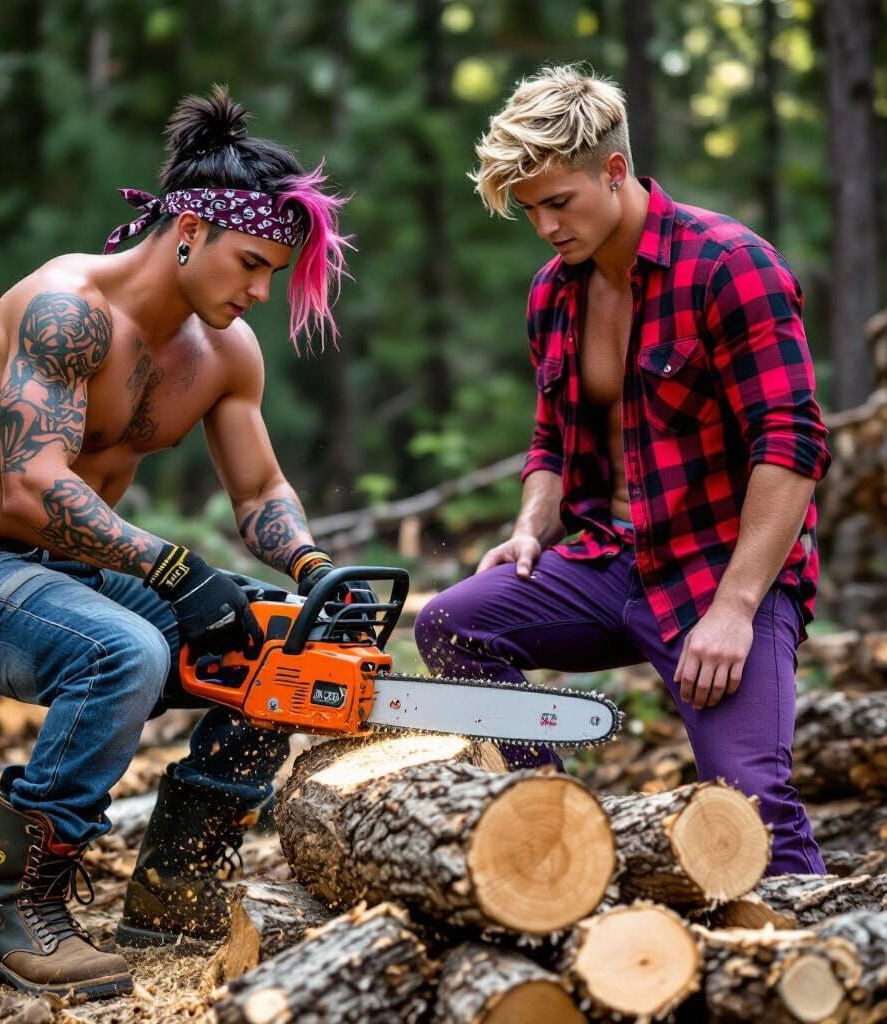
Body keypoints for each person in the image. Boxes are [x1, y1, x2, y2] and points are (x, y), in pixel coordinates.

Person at [0, 86, 357, 1000]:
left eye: (275, 273)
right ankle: (18, 914)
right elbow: (33, 485)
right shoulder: (65, 310)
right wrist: (174, 570)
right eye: (251, 264)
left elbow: (261, 489)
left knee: (273, 642)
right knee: (128, 648)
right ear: (188, 228)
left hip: (79, 575)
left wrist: (309, 567)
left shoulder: (226, 352)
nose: (261, 291)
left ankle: (174, 887)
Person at [415, 64, 831, 876]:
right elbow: (552, 442)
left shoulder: (729, 265)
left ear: (614, 171)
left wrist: (738, 606)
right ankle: (561, 861)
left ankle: (817, 963)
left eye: (557, 203)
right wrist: (531, 526)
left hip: (721, 570)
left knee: (749, 811)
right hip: (608, 560)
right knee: (452, 626)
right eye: (527, 209)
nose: (543, 227)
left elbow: (793, 445)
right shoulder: (552, 295)